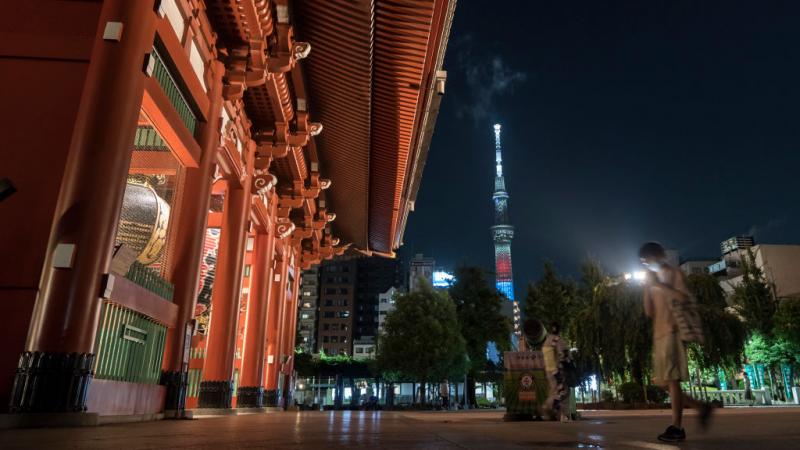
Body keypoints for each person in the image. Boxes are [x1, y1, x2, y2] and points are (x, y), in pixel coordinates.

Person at [640, 242, 713, 442]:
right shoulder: (651, 279)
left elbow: (683, 298)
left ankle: (677, 427)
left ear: (659, 256)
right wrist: (648, 287)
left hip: (672, 332)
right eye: (644, 262)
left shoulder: (674, 274)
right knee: (663, 383)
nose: (647, 264)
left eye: (648, 259)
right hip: (659, 335)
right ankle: (700, 407)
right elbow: (649, 311)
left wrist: (659, 285)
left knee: (672, 380)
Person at [543, 322, 572, 422]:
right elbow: (563, 354)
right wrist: (569, 362)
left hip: (549, 371)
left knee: (555, 391)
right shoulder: (557, 340)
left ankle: (550, 409)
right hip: (558, 371)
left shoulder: (546, 341)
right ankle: (563, 415)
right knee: (564, 392)